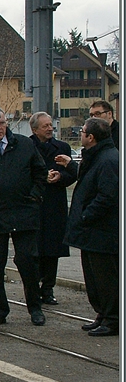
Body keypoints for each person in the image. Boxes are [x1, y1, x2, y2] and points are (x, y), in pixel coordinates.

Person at [0, 114, 47, 326]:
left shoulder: (24, 145)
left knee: (28, 262)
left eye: (2, 123)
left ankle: (35, 307)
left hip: (23, 214)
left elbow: (40, 172)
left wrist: (34, 196)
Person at [56, 117, 119, 336]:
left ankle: (113, 319)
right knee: (95, 279)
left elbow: (107, 196)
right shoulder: (97, 156)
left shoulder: (108, 159)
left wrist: (85, 215)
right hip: (92, 232)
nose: (80, 134)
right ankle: (103, 314)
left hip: (102, 232)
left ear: (90, 137)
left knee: (106, 278)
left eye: (82, 131)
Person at [29, 112, 75, 305]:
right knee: (33, 250)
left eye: (50, 125)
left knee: (52, 249)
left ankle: (48, 288)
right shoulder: (26, 146)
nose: (50, 129)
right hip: (33, 205)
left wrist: (60, 177)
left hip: (54, 205)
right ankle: (33, 289)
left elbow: (72, 174)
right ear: (35, 129)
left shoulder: (62, 148)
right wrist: (42, 177)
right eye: (45, 126)